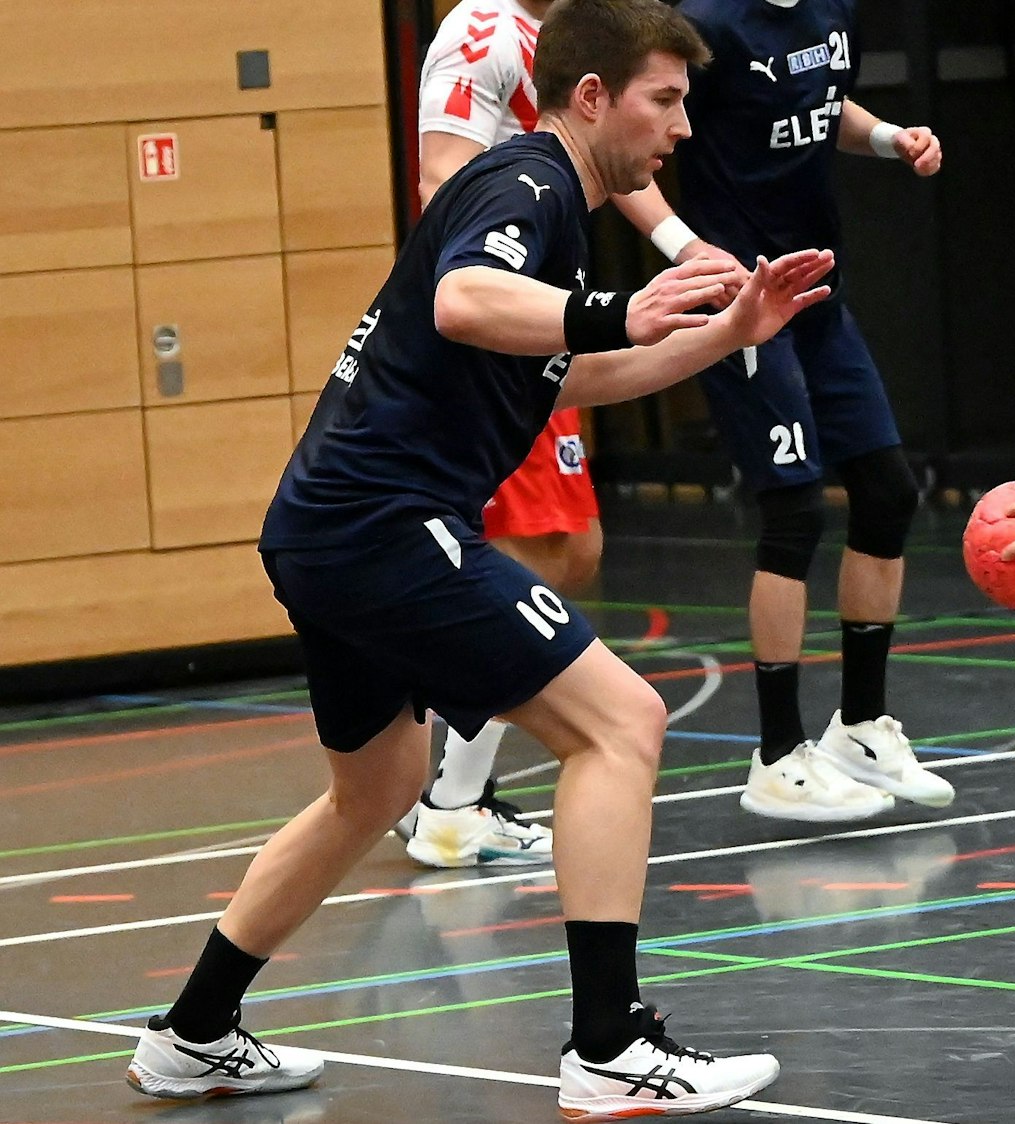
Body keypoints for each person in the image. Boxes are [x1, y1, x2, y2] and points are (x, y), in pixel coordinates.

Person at [124, 3, 836, 1116]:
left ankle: (193, 1030)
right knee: (622, 721)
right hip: (380, 521)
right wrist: (616, 307)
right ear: (591, 96)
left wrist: (720, 336)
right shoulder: (529, 186)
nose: (684, 128)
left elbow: (573, 373)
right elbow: (465, 303)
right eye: (666, 99)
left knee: (377, 789)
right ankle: (610, 1046)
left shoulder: (548, 206)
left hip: (325, 528)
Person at [389, 0, 736, 868]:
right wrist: (561, 297)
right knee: (538, 549)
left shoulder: (590, 34)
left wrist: (684, 250)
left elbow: (624, 149)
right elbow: (447, 186)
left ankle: (444, 787)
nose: (678, 123)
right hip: (508, 314)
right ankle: (451, 798)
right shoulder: (481, 33)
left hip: (553, 313)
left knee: (571, 549)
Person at [654, 0, 953, 823]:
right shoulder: (706, 25)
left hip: (819, 291)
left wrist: (890, 137)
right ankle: (777, 756)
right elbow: (646, 146)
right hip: (745, 297)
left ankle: (859, 727)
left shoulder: (832, 10)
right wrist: (685, 248)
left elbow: (822, 110)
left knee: (888, 492)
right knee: (792, 508)